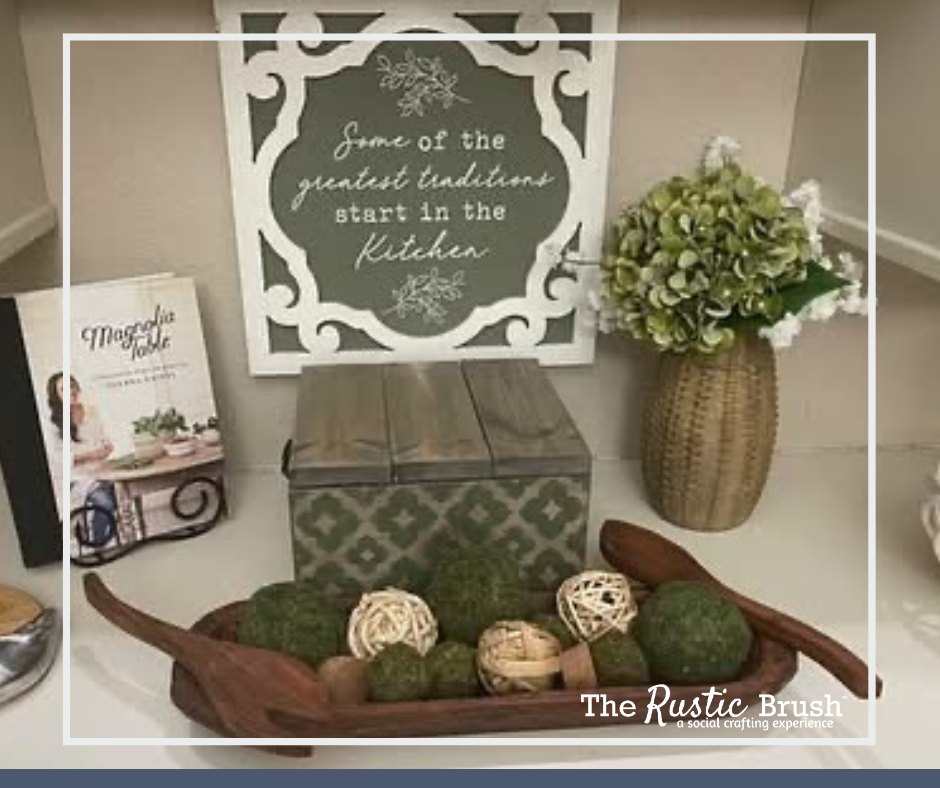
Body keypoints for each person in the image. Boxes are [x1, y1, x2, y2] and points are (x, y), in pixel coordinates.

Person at [47, 372, 117, 548]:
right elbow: (58, 459)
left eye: (72, 385)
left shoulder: (91, 410)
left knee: (122, 492)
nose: (70, 390)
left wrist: (107, 448)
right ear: (56, 396)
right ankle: (97, 542)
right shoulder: (53, 423)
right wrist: (90, 455)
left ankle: (101, 535)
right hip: (76, 479)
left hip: (102, 471)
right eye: (64, 389)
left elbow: (104, 439)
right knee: (106, 501)